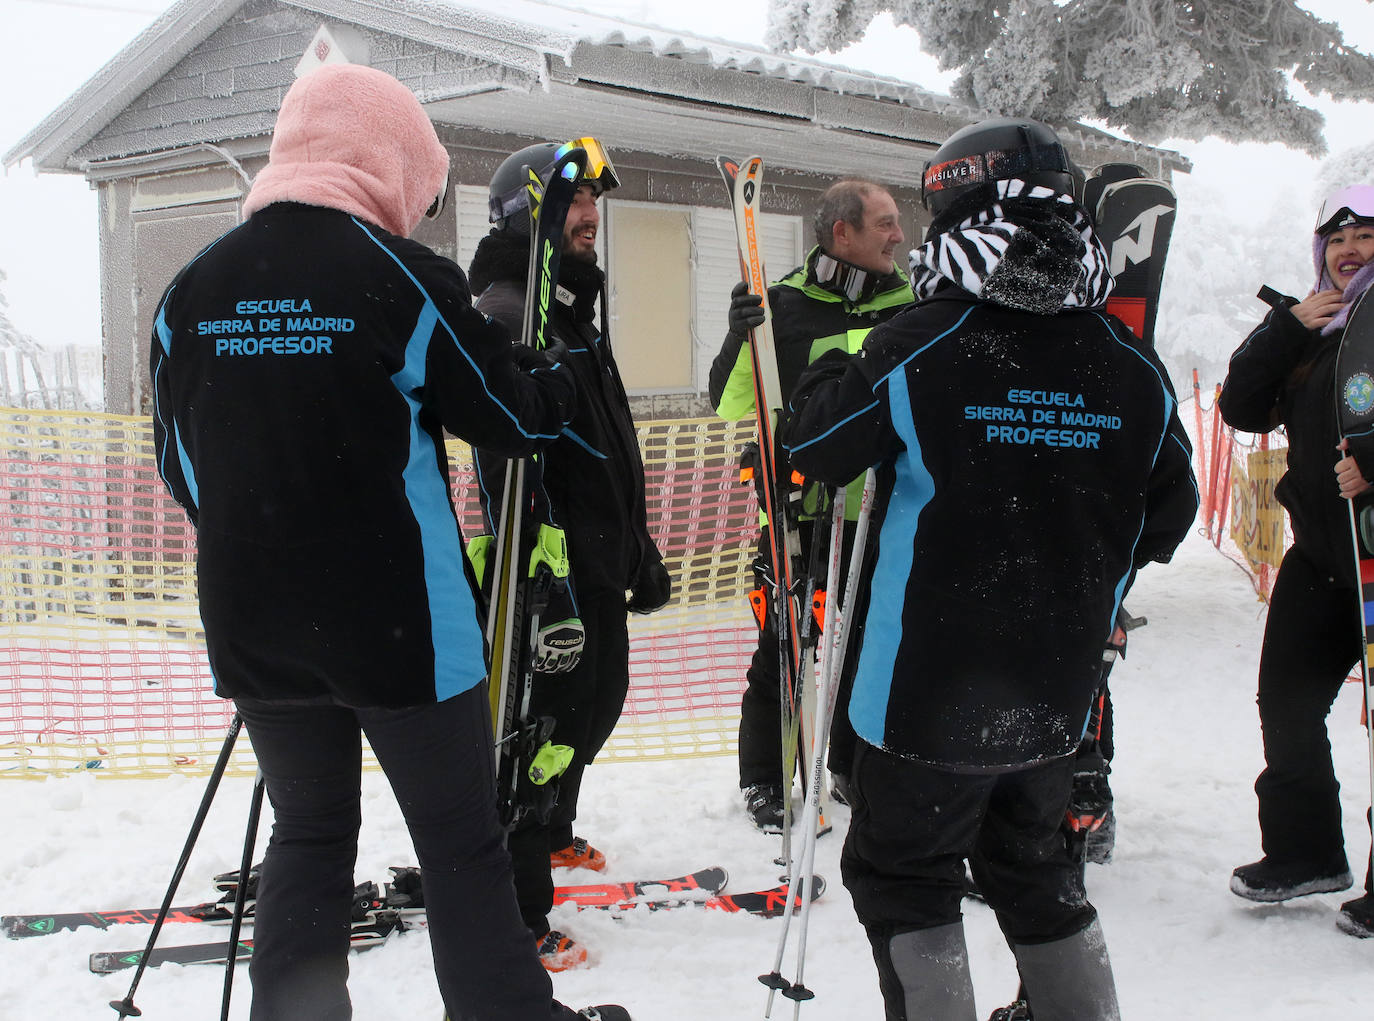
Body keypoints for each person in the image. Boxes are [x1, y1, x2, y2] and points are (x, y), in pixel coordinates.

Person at [148, 64, 630, 1021]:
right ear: (390, 160)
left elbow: (179, 466)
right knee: (459, 840)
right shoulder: (401, 277)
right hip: (399, 623)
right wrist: (549, 373)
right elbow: (510, 415)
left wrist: (263, 543)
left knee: (310, 833)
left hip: (254, 622)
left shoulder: (191, 288)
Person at [781, 117, 1198, 1020]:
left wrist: (834, 365)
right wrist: (1095, 584)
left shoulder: (924, 338)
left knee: (902, 875)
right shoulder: (1127, 359)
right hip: (1053, 684)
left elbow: (814, 445)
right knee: (1035, 863)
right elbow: (1173, 501)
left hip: (924, 688)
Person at [468, 138, 671, 970]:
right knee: (539, 728)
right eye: (574, 202)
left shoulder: (569, 306)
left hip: (596, 557)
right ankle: (514, 912)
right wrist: (541, 575)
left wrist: (635, 545)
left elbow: (601, 445)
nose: (591, 217)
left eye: (593, 203)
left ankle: (549, 831)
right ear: (528, 214)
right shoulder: (512, 307)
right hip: (547, 569)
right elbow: (503, 461)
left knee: (594, 705)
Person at [708, 178, 914, 832]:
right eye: (884, 223)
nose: (898, 235)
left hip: (882, 510)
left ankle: (852, 767)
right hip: (800, 506)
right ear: (842, 232)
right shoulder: (787, 304)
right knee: (785, 645)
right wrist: (741, 336)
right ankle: (766, 779)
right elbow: (728, 400)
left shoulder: (911, 305)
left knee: (871, 647)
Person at [1218, 184, 1374, 938]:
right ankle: (1306, 852)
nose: (1351, 251)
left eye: (1368, 237)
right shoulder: (1315, 325)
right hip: (1320, 553)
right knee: (1286, 705)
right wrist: (1284, 329)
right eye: (1338, 240)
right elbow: (1243, 407)